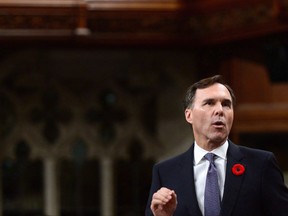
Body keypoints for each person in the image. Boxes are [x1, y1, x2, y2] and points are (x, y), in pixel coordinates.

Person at [145, 75, 288, 216]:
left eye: (226, 104)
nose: (220, 110)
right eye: (209, 103)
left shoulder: (261, 164)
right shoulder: (165, 172)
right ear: (189, 115)